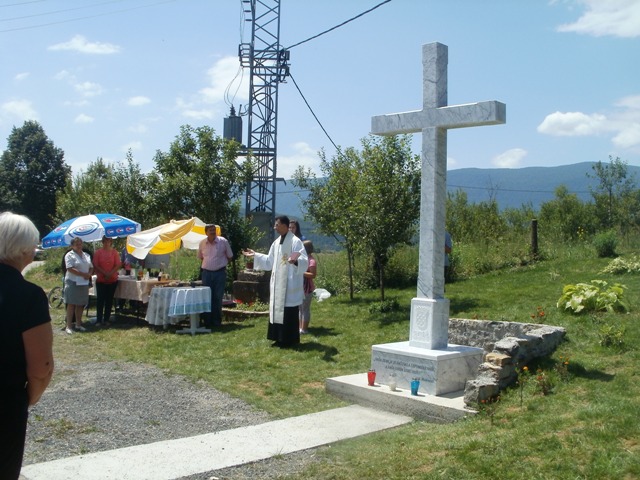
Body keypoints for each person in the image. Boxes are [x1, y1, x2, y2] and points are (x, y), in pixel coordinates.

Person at [0, 212, 54, 479]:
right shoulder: (28, 296)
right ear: (24, 249)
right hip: (5, 402)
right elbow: (41, 367)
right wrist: (29, 398)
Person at [243, 215, 308, 348]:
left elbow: (304, 261)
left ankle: (289, 340)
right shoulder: (276, 242)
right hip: (278, 283)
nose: (275, 227)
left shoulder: (295, 242)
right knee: (277, 310)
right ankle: (278, 337)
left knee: (289, 312)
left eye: (277, 225)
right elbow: (269, 261)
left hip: (289, 283)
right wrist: (255, 255)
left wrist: (295, 261)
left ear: (284, 225)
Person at [198, 224, 233, 329]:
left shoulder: (223, 241)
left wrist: (220, 265)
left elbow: (230, 256)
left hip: (219, 273)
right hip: (206, 273)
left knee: (218, 297)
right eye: (210, 230)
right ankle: (207, 322)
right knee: (207, 297)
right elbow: (201, 257)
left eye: (214, 230)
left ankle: (217, 321)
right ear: (206, 232)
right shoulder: (202, 243)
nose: (213, 232)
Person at [64, 237, 93, 334]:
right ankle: (69, 326)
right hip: (73, 281)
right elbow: (70, 268)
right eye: (77, 244)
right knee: (71, 303)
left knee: (80, 304)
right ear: (72, 246)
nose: (79, 246)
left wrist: (89, 274)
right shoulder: (69, 255)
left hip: (83, 282)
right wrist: (83, 274)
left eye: (80, 244)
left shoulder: (86, 255)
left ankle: (78, 324)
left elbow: (91, 267)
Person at [93, 236, 121, 326]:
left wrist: (110, 273)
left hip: (112, 279)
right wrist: (105, 273)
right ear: (102, 242)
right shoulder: (98, 252)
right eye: (105, 241)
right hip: (101, 279)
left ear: (111, 242)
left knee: (109, 300)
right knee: (100, 300)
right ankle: (98, 320)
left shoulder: (114, 252)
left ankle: (107, 319)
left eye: (108, 241)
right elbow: (96, 265)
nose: (106, 242)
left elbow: (117, 265)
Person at [299, 240, 317, 334]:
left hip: (307, 288)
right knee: (300, 309)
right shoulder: (303, 259)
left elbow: (313, 275)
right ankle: (300, 328)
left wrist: (301, 272)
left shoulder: (311, 261)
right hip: (300, 287)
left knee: (305, 309)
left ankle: (304, 329)